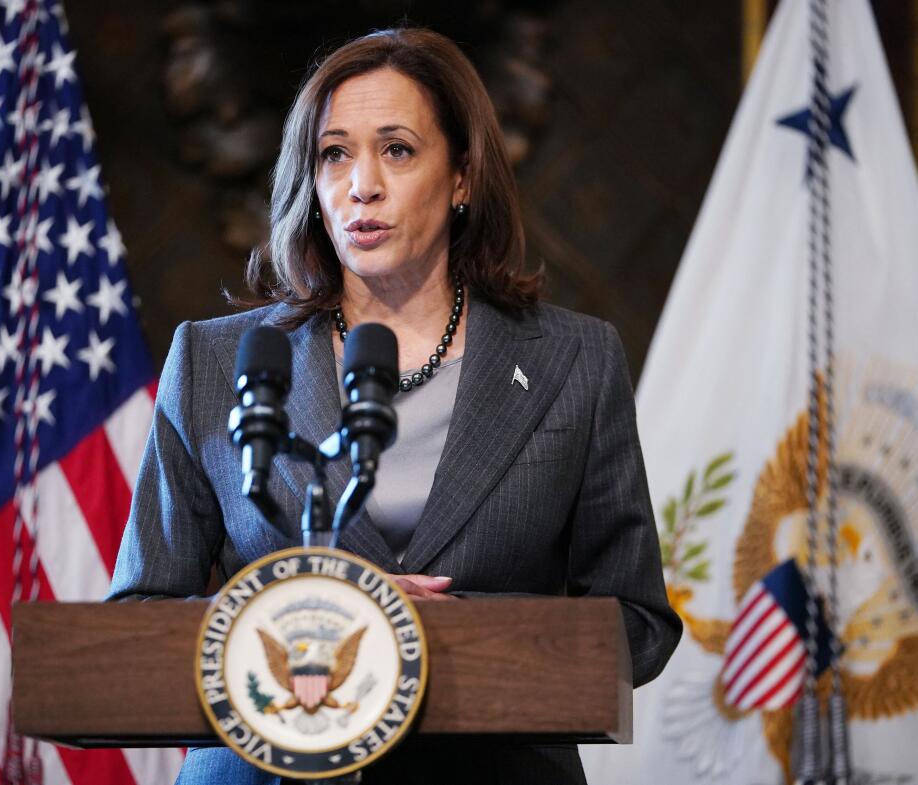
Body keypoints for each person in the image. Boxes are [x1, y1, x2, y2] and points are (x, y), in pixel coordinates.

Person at [109, 26, 681, 785]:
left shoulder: (573, 360)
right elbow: (137, 617)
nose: (361, 184)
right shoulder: (218, 361)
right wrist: (313, 610)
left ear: (464, 177)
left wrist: (454, 635)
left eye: (398, 149)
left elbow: (639, 624)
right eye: (334, 153)